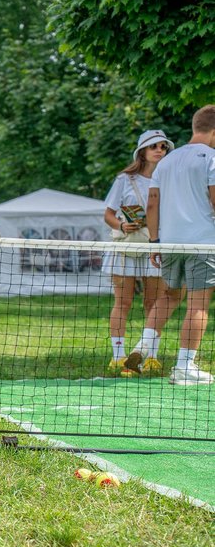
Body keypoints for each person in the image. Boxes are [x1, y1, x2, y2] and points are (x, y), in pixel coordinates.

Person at [128, 105, 215, 385]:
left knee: (170, 297)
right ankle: (184, 367)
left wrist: (155, 242)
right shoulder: (211, 158)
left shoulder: (166, 161)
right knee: (198, 305)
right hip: (203, 244)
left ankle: (143, 346)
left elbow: (152, 203)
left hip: (170, 243)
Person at [101, 130, 174, 376]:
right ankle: (118, 356)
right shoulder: (124, 179)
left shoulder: (170, 179)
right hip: (127, 246)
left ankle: (150, 355)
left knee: (154, 302)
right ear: (142, 150)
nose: (159, 150)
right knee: (123, 301)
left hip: (156, 245)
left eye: (164, 147)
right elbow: (109, 214)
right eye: (154, 146)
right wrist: (122, 225)